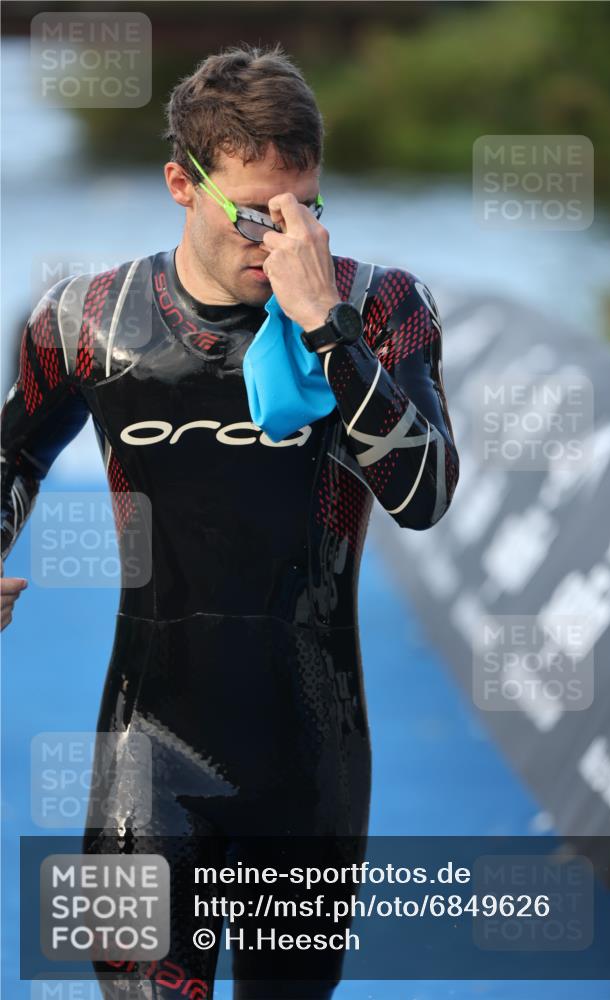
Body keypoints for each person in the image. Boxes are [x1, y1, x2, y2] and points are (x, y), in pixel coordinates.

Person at [0, 43, 459, 999]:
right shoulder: (87, 320)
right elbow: (13, 453)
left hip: (311, 750)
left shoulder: (379, 309)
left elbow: (422, 497)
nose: (281, 238)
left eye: (305, 210)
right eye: (254, 212)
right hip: (145, 745)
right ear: (181, 181)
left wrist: (326, 328)